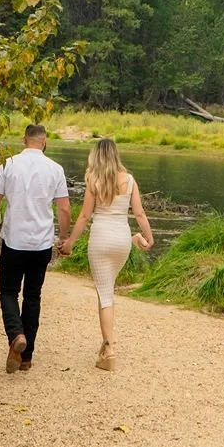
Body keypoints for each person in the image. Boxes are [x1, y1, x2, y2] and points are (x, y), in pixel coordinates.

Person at [59, 136, 154, 371]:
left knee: (105, 296)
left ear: (97, 156)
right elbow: (139, 214)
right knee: (108, 290)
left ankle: (110, 348)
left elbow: (84, 216)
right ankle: (105, 345)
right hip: (121, 239)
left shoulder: (93, 180)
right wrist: (148, 237)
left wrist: (70, 242)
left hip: (100, 240)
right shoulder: (130, 180)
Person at [0, 122, 71, 374]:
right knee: (33, 297)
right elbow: (64, 208)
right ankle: (26, 357)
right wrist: (63, 238)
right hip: (41, 242)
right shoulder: (55, 169)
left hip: (14, 241)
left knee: (8, 292)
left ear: (24, 140)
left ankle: (16, 335)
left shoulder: (8, 164)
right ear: (44, 142)